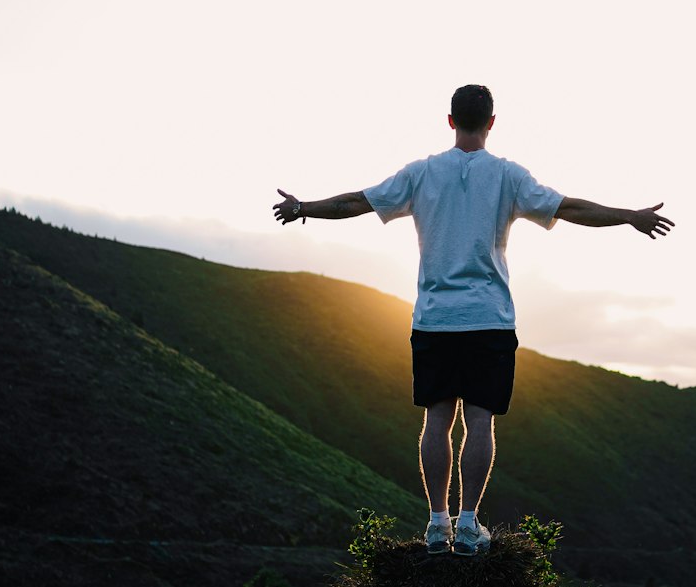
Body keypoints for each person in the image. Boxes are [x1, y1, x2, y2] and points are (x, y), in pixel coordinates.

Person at [273, 84, 674, 557]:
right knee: (480, 421)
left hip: (435, 318)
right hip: (489, 319)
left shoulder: (421, 174)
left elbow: (354, 203)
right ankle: (467, 527)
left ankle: (436, 525)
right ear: (491, 122)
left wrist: (303, 208)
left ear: (449, 120)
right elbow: (570, 209)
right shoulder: (507, 176)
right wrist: (630, 216)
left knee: (437, 420)